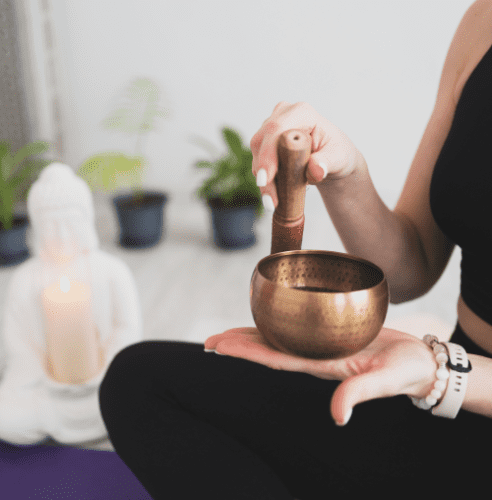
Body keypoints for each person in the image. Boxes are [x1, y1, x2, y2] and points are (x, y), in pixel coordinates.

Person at [98, 1, 492, 498]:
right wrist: (345, 174)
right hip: (441, 408)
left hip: (449, 381)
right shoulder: (483, 23)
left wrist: (443, 374)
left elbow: (441, 373)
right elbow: (411, 267)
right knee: (141, 383)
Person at [0, 163, 142, 446]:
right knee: (6, 418)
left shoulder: (112, 271)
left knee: (144, 399)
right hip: (46, 390)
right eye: (51, 226)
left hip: (103, 383)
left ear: (86, 220)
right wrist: (50, 376)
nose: (62, 235)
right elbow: (17, 344)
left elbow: (128, 332)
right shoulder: (25, 278)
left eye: (70, 223)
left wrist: (101, 371)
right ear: (37, 227)